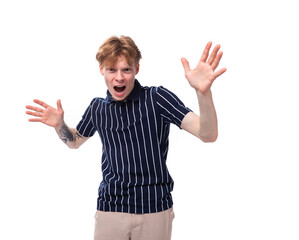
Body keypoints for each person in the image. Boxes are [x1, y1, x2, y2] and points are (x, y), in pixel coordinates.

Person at [25, 36, 226, 240]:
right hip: (110, 209)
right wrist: (60, 125)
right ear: (101, 70)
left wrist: (204, 93)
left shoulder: (157, 98)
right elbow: (75, 141)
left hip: (154, 210)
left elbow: (207, 134)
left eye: (126, 70)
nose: (119, 77)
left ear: (136, 69)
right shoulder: (97, 108)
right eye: (112, 69)